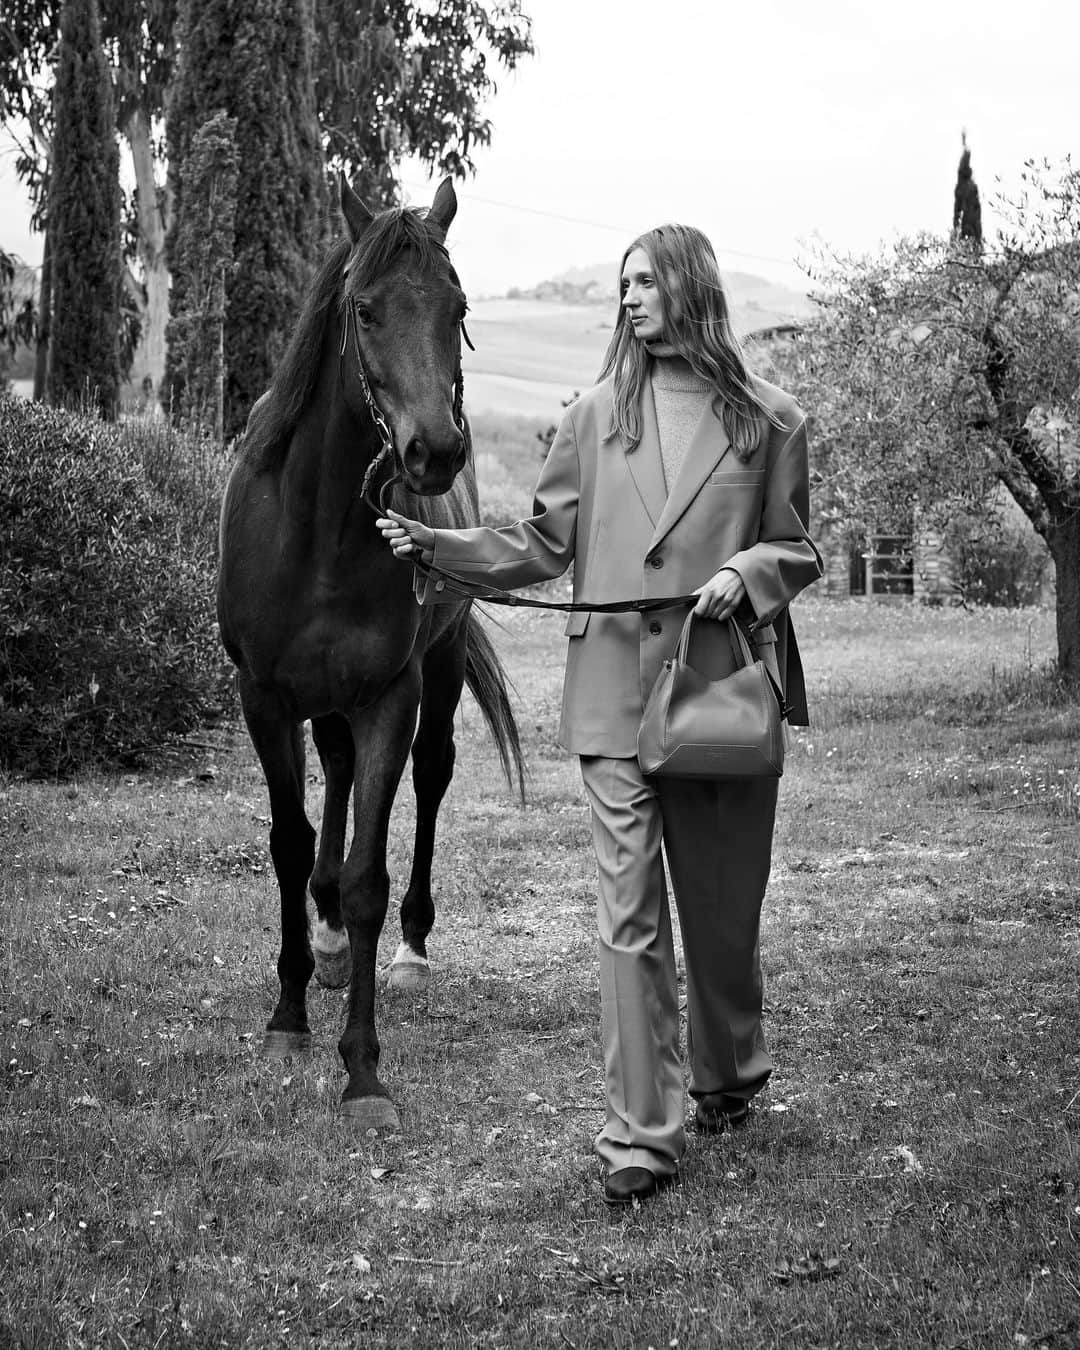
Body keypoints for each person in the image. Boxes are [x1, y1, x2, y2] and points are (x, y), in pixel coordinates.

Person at [378, 223, 822, 1207]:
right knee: (628, 918)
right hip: (614, 699)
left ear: (690, 288)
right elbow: (541, 546)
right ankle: (640, 1135)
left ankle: (729, 1073)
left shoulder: (771, 419)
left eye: (645, 281)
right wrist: (433, 548)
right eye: (620, 284)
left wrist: (745, 577)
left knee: (718, 915)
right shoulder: (589, 417)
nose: (628, 298)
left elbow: (797, 549)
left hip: (719, 696)